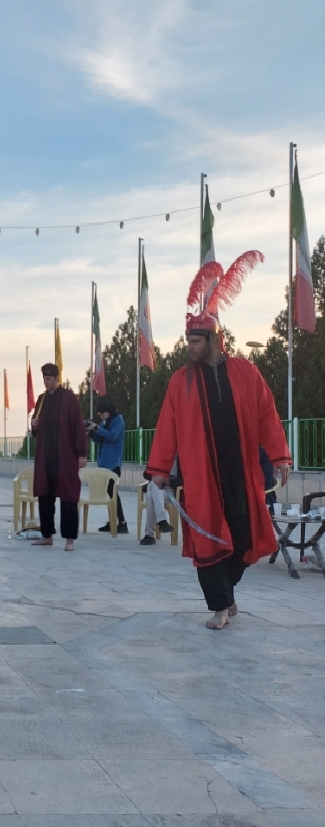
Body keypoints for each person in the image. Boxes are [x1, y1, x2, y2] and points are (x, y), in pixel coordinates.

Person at [146, 251, 290, 629]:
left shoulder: (246, 373)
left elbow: (267, 416)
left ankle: (227, 594)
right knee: (207, 542)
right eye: (188, 341)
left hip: (240, 476)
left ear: (213, 340)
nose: (190, 347)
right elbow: (167, 428)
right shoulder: (180, 381)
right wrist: (159, 469)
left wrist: (279, 456)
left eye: (196, 341)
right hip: (201, 479)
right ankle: (221, 606)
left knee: (243, 541)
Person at [30, 363, 88, 551]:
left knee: (68, 496)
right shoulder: (41, 400)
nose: (46, 382)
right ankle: (47, 535)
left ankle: (69, 539)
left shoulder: (69, 398)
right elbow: (36, 430)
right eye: (44, 379)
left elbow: (78, 427)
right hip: (45, 457)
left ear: (56, 378)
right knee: (44, 495)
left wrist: (82, 454)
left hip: (65, 456)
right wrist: (33, 425)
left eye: (49, 379)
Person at [87, 399, 128, 534]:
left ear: (108, 411)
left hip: (113, 463)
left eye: (102, 414)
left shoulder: (118, 420)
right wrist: (91, 433)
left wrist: (98, 428)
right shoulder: (105, 422)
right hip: (104, 463)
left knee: (113, 492)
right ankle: (113, 521)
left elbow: (112, 436)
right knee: (110, 493)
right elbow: (100, 439)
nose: (101, 417)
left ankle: (122, 523)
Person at [140, 460, 180, 545]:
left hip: (171, 492)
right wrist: (156, 477)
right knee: (152, 488)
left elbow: (183, 480)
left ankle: (149, 534)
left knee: (150, 494)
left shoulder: (180, 459)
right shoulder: (159, 456)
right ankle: (161, 521)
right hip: (156, 488)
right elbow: (146, 473)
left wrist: (167, 480)